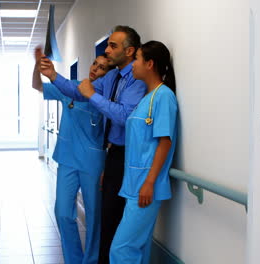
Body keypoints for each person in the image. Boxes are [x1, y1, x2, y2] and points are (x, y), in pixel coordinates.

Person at [39, 25, 146, 264]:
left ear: (129, 51)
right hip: (107, 155)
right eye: (107, 45)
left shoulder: (136, 81)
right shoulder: (111, 78)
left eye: (112, 45)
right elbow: (78, 91)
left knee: (108, 220)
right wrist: (54, 76)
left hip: (126, 156)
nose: (107, 50)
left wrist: (91, 95)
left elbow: (123, 116)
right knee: (93, 216)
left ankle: (95, 260)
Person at [32, 47, 113, 264]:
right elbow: (37, 86)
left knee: (94, 217)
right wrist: (37, 65)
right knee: (63, 212)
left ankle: (92, 260)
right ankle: (74, 259)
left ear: (110, 74)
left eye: (103, 67)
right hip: (67, 159)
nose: (96, 68)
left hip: (93, 164)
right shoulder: (72, 87)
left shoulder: (105, 98)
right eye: (95, 64)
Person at [109, 40, 178, 264]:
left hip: (145, 186)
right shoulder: (146, 98)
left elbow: (164, 142)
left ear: (150, 64)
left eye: (137, 59)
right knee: (137, 248)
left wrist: (149, 182)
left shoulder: (163, 96)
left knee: (121, 249)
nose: (133, 64)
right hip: (135, 184)